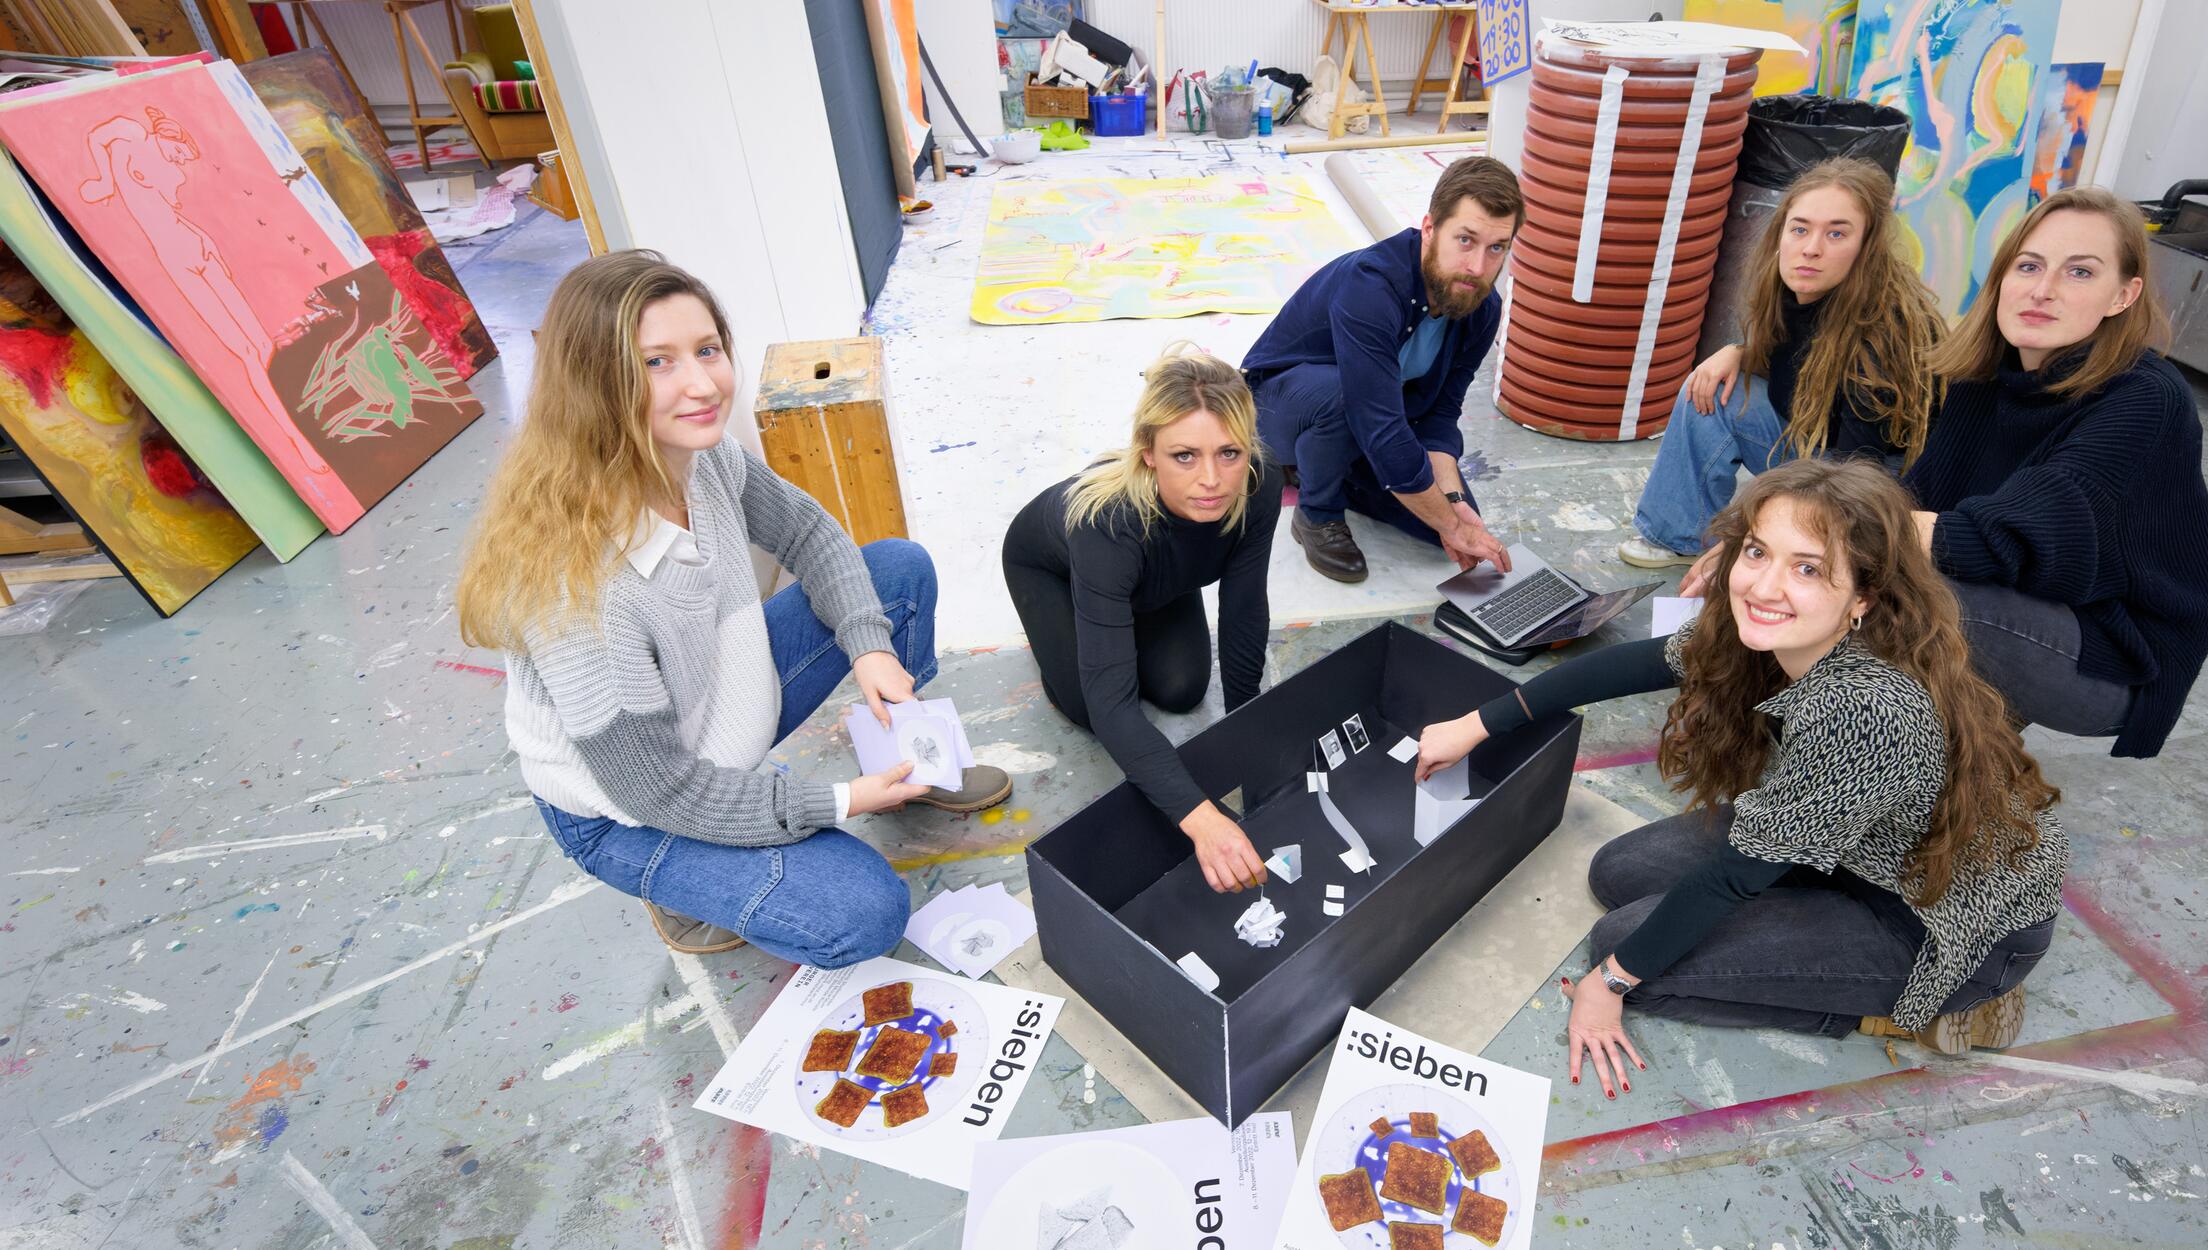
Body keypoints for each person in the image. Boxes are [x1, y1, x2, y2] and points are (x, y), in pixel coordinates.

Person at [1414, 459, 2067, 1094]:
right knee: (1617, 876)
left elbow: (1734, 876)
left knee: (1625, 953)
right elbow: (1635, 665)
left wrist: (1608, 985)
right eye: (1757, 552)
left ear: (1864, 596)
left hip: (1940, 924)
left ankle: (1939, 1007)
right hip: (1853, 845)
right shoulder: (1775, 627)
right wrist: (1476, 723)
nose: (1763, 585)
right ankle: (1808, 915)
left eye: (1807, 567)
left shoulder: (1868, 709)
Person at [456, 251, 1011, 963]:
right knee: (863, 914)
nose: (701, 383)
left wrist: (871, 647)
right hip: (630, 809)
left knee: (893, 574)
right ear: (597, 384)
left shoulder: (703, 457)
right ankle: (682, 891)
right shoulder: (577, 592)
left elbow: (812, 533)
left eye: (707, 349)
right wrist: (840, 802)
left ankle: (914, 757)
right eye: (657, 363)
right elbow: (662, 792)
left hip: (714, 702)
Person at [1682, 189, 2208, 758]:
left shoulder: (2146, 398)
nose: (2043, 290)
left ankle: (1863, 756)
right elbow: (1915, 491)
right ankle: (1866, 740)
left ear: (2123, 295)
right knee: (1840, 572)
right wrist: (1766, 546)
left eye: (2080, 272)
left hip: (2113, 654)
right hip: (2021, 599)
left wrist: (1795, 541)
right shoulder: (1986, 373)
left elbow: (2014, 538)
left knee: (1906, 594)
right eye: (2029, 266)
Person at [1003, 347, 1280, 894]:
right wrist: (1204, 822)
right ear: (1148, 452)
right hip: (1052, 572)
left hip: (1154, 579)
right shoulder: (1106, 524)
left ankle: (1128, 606)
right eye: (1184, 456)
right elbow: (1112, 709)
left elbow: (1246, 609)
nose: (1211, 480)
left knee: (1181, 691)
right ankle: (1068, 631)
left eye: (1228, 452)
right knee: (1091, 706)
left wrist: (1249, 746)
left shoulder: (1256, 483)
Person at [1620, 157, 1943, 569]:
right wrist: (1739, 352)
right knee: (1713, 387)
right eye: (1800, 228)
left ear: (1867, 247)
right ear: (1781, 232)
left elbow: (1857, 474)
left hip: (1874, 487)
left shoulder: (1881, 337)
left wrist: (1754, 541)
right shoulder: (1801, 290)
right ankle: (1679, 535)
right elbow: (1793, 367)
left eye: (1837, 233)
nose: (1811, 247)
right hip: (1818, 444)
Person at [1242, 156, 1520, 584]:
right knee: (1344, 400)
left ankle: (1337, 467)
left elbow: (1440, 415)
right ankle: (1317, 512)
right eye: (1465, 240)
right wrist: (1448, 520)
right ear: (1430, 229)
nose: (1479, 267)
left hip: (1371, 415)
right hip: (1279, 408)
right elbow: (1378, 422)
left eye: (1496, 247)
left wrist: (1451, 505)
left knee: (1448, 527)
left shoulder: (1481, 307)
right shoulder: (1371, 286)